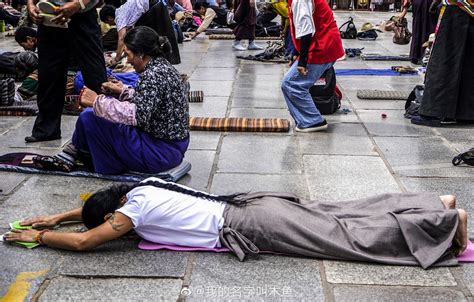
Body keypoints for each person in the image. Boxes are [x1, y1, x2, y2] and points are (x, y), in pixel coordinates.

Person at [3, 176, 468, 269]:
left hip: (253, 223)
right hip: (255, 203)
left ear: (115, 212)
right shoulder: (141, 187)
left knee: (343, 238)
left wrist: (40, 236)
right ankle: (435, 201)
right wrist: (60, 213)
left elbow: (87, 244)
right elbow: (98, 207)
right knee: (340, 211)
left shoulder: (131, 213)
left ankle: (447, 225)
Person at [48, 27, 189, 175]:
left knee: (90, 116)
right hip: (171, 149)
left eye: (128, 54)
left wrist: (96, 100)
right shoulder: (163, 67)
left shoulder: (152, 75)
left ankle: (80, 154)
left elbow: (138, 116)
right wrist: (122, 91)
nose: (128, 60)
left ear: (141, 53)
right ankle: (75, 151)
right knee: (100, 110)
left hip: (158, 153)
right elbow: (150, 101)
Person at [24, 0, 106, 142]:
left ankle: (104, 129)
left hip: (82, 15)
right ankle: (46, 130)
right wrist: (30, 4)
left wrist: (78, 4)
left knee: (95, 75)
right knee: (48, 74)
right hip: (49, 16)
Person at [280, 0, 344, 132]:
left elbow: (306, 30)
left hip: (321, 47)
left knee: (292, 84)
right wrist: (296, 52)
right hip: (326, 45)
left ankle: (313, 121)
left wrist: (302, 61)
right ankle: (307, 120)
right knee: (292, 83)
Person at [410, 0, 473, 127]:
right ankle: (466, 113)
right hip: (467, 12)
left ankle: (433, 111)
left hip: (456, 9)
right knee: (468, 62)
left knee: (444, 60)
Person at [103, 0, 181, 65]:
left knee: (151, 41)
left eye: (107, 22)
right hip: (155, 7)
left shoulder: (119, 17)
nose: (110, 25)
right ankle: (161, 63)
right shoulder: (122, 10)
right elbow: (127, 36)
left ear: (109, 17)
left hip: (154, 9)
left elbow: (121, 38)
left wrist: (116, 59)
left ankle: (160, 64)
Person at [398, 0, 438, 64]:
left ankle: (421, 55)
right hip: (425, 5)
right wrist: (404, 12)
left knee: (426, 30)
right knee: (421, 30)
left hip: (429, 5)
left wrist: (404, 12)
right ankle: (421, 55)